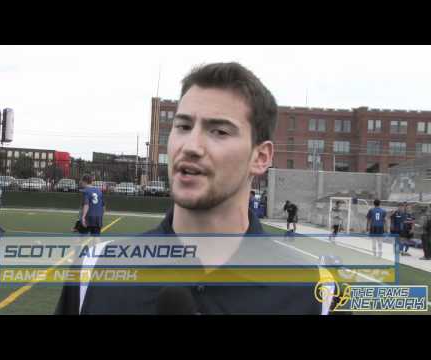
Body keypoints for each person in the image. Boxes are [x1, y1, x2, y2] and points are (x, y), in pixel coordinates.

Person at [56, 62, 327, 315]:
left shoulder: (316, 292)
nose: (191, 146)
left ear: (261, 158)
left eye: (219, 131)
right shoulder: (94, 271)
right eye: (183, 126)